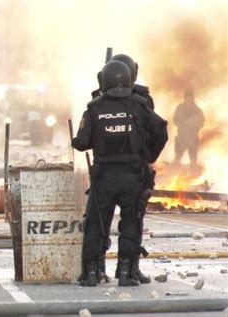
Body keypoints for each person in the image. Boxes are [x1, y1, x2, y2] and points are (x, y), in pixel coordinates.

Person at [72, 60, 168, 287]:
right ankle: (126, 273)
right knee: (131, 224)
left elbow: (82, 143)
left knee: (96, 224)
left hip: (104, 177)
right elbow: (161, 130)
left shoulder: (94, 107)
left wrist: (81, 139)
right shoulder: (139, 104)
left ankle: (91, 273)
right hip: (132, 177)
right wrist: (149, 156)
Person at [95, 54, 160, 284]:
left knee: (126, 220)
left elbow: (154, 130)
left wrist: (147, 156)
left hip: (126, 168)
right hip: (124, 170)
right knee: (112, 221)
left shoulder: (141, 99)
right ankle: (110, 268)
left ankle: (125, 268)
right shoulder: (102, 99)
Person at [173, 89, 204, 166]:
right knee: (177, 158)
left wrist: (192, 126)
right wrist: (182, 124)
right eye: (187, 97)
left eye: (190, 97)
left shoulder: (197, 110)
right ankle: (173, 172)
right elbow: (175, 119)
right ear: (185, 98)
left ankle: (193, 173)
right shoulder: (180, 108)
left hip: (193, 137)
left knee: (193, 160)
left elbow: (201, 122)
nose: (188, 99)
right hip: (181, 137)